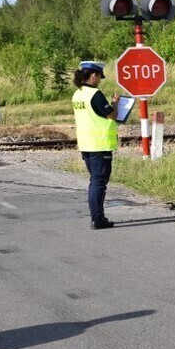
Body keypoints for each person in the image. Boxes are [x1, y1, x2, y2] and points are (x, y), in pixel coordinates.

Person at [72, 61, 120, 230]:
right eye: (99, 76)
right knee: (99, 183)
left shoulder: (77, 94)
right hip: (100, 145)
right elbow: (112, 115)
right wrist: (115, 103)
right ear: (94, 75)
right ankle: (97, 219)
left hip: (86, 145)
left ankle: (97, 217)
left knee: (95, 182)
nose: (100, 80)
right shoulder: (95, 94)